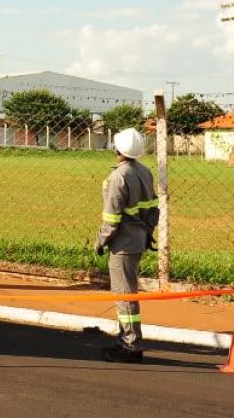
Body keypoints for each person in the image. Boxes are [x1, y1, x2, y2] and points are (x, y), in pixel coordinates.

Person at [94, 127, 159, 363]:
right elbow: (154, 209)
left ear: (116, 148)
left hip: (123, 244)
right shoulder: (145, 172)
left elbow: (111, 219)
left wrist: (100, 242)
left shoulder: (118, 177)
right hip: (139, 239)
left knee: (124, 295)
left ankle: (130, 344)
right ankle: (126, 339)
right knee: (128, 293)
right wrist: (148, 232)